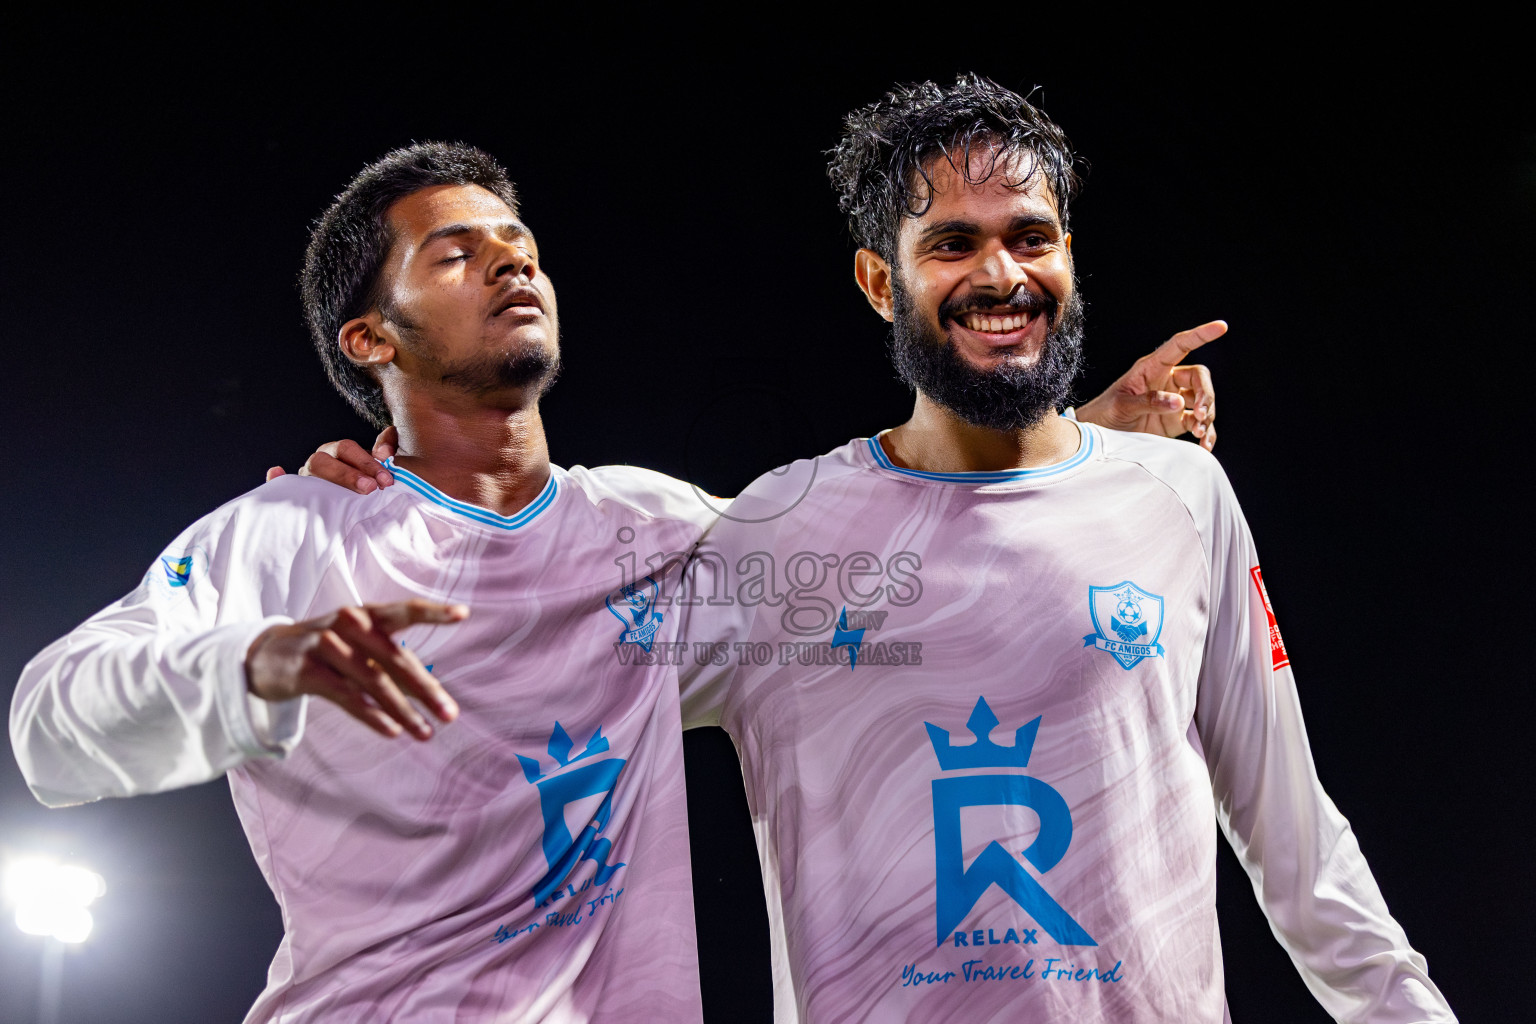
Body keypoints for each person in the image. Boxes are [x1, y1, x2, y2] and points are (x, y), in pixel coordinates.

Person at [663, 75, 1456, 1022]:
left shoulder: (1180, 499)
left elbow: (1295, 842)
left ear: (1069, 254)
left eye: (1029, 237)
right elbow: (550, 702)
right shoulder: (785, 532)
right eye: (953, 243)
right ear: (881, 282)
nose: (1001, 277)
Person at [11, 143, 713, 1022]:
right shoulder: (290, 534)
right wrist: (256, 660)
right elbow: (48, 733)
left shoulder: (656, 526)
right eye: (456, 254)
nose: (513, 259)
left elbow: (877, 560)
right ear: (371, 337)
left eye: (519, 240)